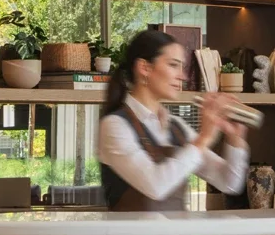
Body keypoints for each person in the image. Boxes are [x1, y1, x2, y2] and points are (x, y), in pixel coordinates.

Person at [96, 30, 248, 212]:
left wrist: (235, 138)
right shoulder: (114, 125)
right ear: (145, 68)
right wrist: (205, 137)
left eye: (182, 67)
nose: (182, 76)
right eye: (173, 65)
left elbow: (229, 183)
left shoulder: (176, 126)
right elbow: (155, 186)